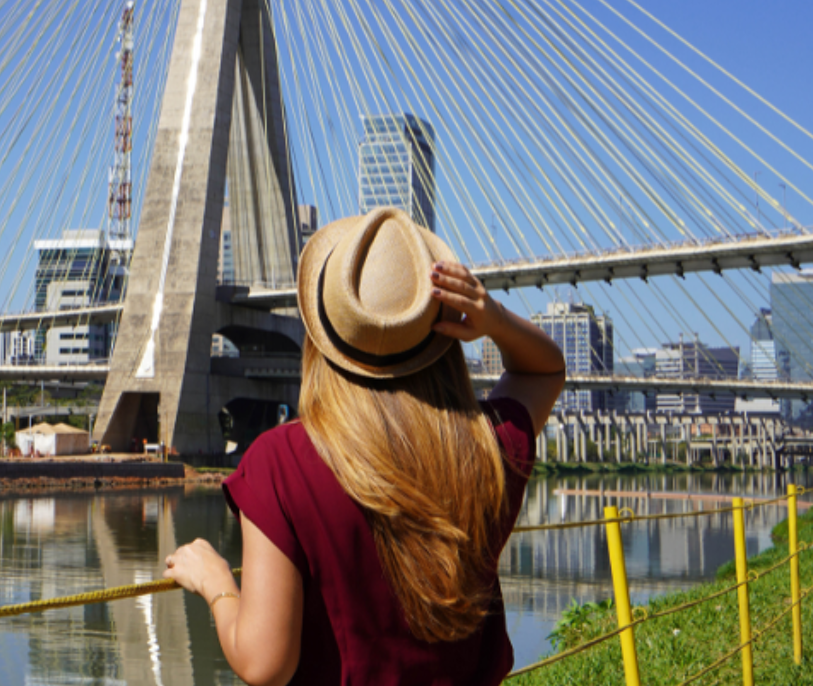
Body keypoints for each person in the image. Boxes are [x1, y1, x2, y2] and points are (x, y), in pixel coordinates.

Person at [163, 207, 564, 686]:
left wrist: (216, 584)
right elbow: (543, 371)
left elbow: (264, 664)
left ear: (322, 334)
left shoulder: (280, 462)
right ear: (442, 334)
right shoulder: (484, 446)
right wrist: (494, 318)